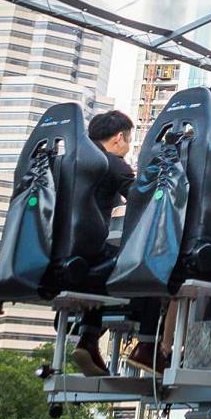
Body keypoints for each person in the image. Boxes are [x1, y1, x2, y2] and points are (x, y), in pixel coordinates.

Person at [125, 88, 211, 373]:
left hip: (160, 250)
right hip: (202, 255)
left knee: (168, 258)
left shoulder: (166, 145)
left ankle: (147, 344)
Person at [68, 109, 136, 376]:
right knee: (141, 267)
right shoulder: (112, 163)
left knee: (104, 263)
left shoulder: (68, 161)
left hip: (57, 259)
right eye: (129, 142)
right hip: (90, 258)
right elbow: (144, 201)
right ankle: (149, 344)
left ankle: (87, 336)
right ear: (119, 138)